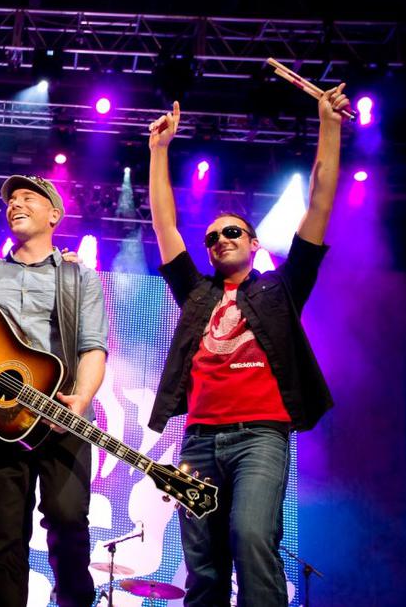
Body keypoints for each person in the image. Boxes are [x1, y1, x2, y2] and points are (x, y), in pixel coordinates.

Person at [146, 87, 349, 605]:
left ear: (255, 243)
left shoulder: (281, 287)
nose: (221, 240)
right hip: (198, 442)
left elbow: (320, 201)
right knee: (203, 564)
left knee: (252, 538)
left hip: (260, 437)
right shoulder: (197, 292)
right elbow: (165, 225)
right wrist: (159, 150)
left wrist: (329, 125)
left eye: (233, 231)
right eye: (212, 238)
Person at [0, 175, 109, 607]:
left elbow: (93, 347)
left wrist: (80, 399)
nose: (15, 203)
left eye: (28, 197)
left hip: (62, 416)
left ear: (54, 215)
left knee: (69, 522)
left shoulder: (79, 276)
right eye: (11, 199)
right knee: (2, 536)